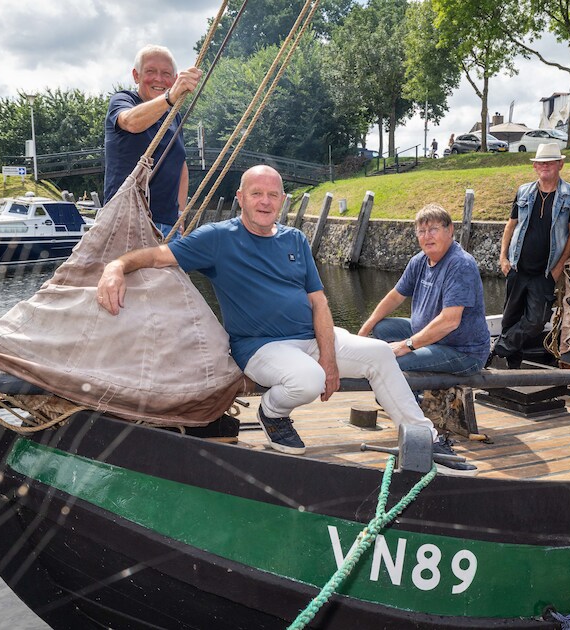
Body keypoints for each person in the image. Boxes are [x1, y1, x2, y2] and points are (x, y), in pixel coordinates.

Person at [96, 165, 477, 475]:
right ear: (241, 197)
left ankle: (423, 438)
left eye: (273, 194)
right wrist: (115, 267)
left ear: (281, 199)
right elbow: (157, 256)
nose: (265, 201)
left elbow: (319, 303)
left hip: (310, 338)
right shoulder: (216, 239)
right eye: (256, 193)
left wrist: (329, 357)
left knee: (379, 352)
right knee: (307, 380)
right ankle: (273, 412)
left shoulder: (295, 239)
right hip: (261, 347)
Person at [358, 203, 490, 378]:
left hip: (462, 352)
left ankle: (418, 392)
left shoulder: (460, 264)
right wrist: (364, 331)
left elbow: (450, 321)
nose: (427, 236)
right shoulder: (419, 261)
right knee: (381, 327)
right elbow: (395, 297)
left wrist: (405, 346)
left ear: (450, 230)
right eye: (421, 231)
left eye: (433, 229)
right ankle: (416, 375)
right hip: (430, 339)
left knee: (394, 361)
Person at [494, 142, 570, 369]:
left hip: (545, 272)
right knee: (510, 317)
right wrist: (503, 258)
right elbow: (510, 226)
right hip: (517, 267)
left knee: (536, 321)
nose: (545, 166)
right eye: (541, 163)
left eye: (550, 162)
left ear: (560, 164)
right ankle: (512, 366)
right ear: (535, 166)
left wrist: (558, 269)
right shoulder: (524, 191)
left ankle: (499, 347)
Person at [103, 45, 202, 240]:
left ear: (174, 79)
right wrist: (170, 97)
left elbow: (181, 166)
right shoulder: (123, 100)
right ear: (136, 75)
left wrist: (180, 214)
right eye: (150, 71)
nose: (159, 79)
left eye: (166, 74)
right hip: (127, 220)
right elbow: (131, 122)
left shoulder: (174, 116)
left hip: (168, 225)